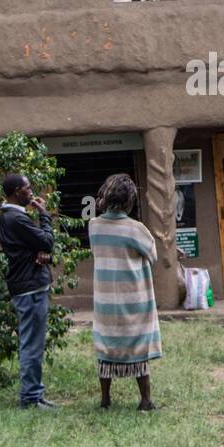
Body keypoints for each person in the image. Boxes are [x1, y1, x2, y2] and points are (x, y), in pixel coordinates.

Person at [88, 173, 162, 410]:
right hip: (133, 297)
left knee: (106, 345)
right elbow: (153, 255)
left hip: (105, 299)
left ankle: (105, 399)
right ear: (129, 200)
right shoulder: (135, 229)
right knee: (137, 346)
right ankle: (145, 399)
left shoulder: (93, 226)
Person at [0, 173, 58, 409]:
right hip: (29, 288)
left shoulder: (11, 216)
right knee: (32, 345)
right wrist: (44, 216)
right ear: (16, 191)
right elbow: (47, 242)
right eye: (27, 188)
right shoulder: (15, 218)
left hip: (28, 284)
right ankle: (30, 398)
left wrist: (40, 251)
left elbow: (41, 246)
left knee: (33, 342)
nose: (32, 192)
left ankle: (35, 393)